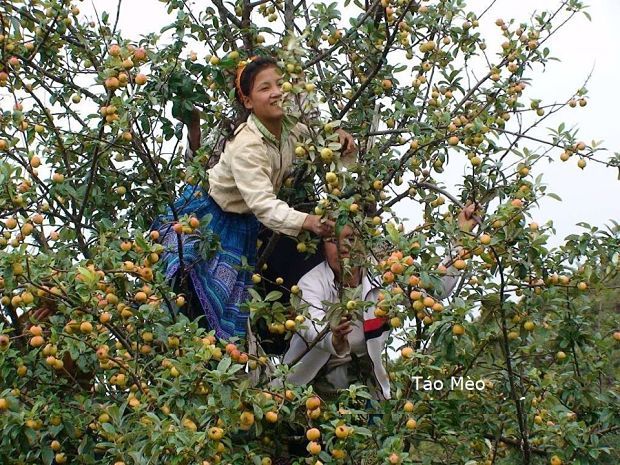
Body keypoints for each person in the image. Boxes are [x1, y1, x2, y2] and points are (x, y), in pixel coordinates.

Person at [155, 55, 356, 340]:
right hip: (210, 219)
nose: (276, 92)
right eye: (265, 88)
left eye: (280, 84)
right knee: (193, 299)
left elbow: (317, 140)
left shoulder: (288, 129)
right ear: (248, 102)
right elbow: (264, 206)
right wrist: (309, 221)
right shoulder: (247, 145)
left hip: (243, 224)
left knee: (237, 309)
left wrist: (339, 139)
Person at [283, 204, 478, 400]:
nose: (343, 248)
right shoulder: (310, 283)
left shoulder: (384, 275)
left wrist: (461, 237)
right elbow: (309, 324)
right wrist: (332, 337)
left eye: (351, 238)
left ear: (365, 241)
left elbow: (436, 288)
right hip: (302, 390)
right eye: (333, 240)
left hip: (365, 386)